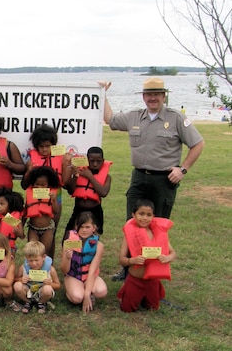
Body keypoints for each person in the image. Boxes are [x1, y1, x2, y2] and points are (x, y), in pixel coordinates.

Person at [101, 77, 203, 280]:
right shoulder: (134, 117)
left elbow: (198, 144)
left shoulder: (175, 118)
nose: (152, 98)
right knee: (133, 224)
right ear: (143, 97)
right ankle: (129, 268)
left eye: (156, 94)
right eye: (149, 94)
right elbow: (110, 120)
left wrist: (183, 169)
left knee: (157, 226)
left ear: (164, 96)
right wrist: (102, 94)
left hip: (164, 181)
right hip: (139, 178)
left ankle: (155, 269)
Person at [117, 199, 176, 312]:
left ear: (153, 216)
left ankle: (147, 297)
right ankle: (128, 291)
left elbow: (173, 253)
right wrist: (132, 261)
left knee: (153, 308)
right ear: (133, 214)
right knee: (127, 309)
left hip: (152, 281)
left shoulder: (159, 233)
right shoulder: (129, 234)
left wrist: (167, 258)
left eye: (149, 215)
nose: (144, 218)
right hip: (135, 279)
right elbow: (122, 259)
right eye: (141, 214)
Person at [21, 124, 69, 258]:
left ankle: (49, 263)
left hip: (55, 197)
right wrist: (28, 172)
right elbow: (24, 185)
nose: (45, 150)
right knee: (34, 233)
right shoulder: (31, 161)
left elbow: (64, 182)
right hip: (34, 199)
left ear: (53, 145)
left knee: (51, 233)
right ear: (36, 146)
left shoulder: (60, 158)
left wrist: (67, 164)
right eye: (41, 147)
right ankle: (33, 264)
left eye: (48, 146)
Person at [61, 211, 108, 313]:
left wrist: (86, 295)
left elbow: (92, 271)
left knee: (102, 292)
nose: (84, 230)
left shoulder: (99, 246)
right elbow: (64, 270)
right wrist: (68, 258)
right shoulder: (68, 243)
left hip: (89, 275)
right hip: (73, 275)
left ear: (94, 228)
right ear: (76, 227)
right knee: (77, 298)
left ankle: (86, 291)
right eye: (81, 227)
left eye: (87, 227)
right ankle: (73, 289)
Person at [62, 146, 112, 240]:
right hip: (78, 209)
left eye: (98, 161)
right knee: (68, 238)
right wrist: (75, 176)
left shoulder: (107, 177)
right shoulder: (79, 172)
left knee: (92, 240)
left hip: (95, 210)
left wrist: (90, 177)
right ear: (86, 160)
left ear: (103, 161)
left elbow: (103, 193)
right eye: (91, 161)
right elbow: (71, 191)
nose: (95, 164)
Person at [11, 241, 60, 314]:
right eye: (30, 260)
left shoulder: (50, 269)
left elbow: (58, 285)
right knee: (17, 286)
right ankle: (27, 302)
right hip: (28, 290)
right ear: (26, 258)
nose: (34, 263)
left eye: (36, 260)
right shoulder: (23, 267)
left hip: (42, 290)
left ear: (43, 257)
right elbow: (15, 279)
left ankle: (41, 303)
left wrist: (50, 283)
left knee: (47, 289)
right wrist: (21, 279)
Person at [22, 166, 61, 257]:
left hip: (47, 229)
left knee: (44, 252)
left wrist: (54, 200)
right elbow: (25, 213)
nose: (39, 187)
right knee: (32, 251)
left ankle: (44, 270)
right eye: (37, 184)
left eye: (43, 185)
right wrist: (21, 228)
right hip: (33, 228)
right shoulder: (29, 194)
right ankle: (33, 269)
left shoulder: (52, 194)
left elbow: (56, 211)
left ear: (48, 184)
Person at [0, 188, 25, 255]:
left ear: (9, 205)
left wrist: (17, 232)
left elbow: (22, 236)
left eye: (1, 204)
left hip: (9, 247)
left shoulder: (12, 218)